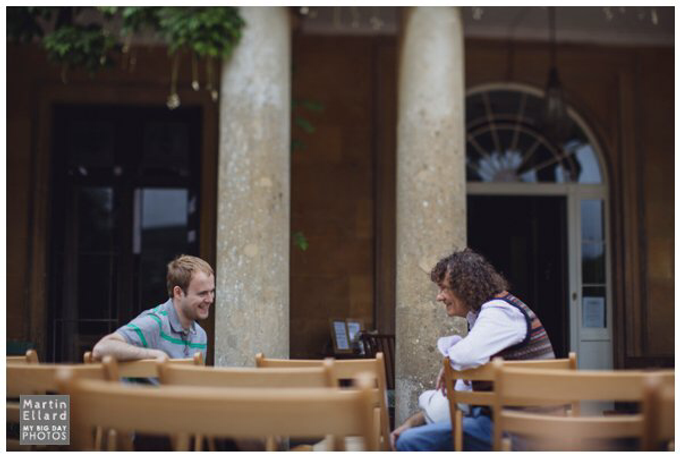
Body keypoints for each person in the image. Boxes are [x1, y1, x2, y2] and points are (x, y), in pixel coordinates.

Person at [391, 248, 555, 451]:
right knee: (414, 436)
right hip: (505, 423)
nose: (439, 297)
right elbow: (458, 396)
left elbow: (464, 356)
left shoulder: (500, 312)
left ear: (465, 287)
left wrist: (451, 361)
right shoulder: (490, 320)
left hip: (523, 430)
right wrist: (412, 423)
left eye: (443, 288)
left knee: (410, 443)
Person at [92, 254, 214, 363]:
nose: (210, 299)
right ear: (178, 293)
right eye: (202, 293)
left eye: (212, 291)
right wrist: (155, 355)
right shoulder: (155, 323)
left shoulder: (200, 335)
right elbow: (101, 348)